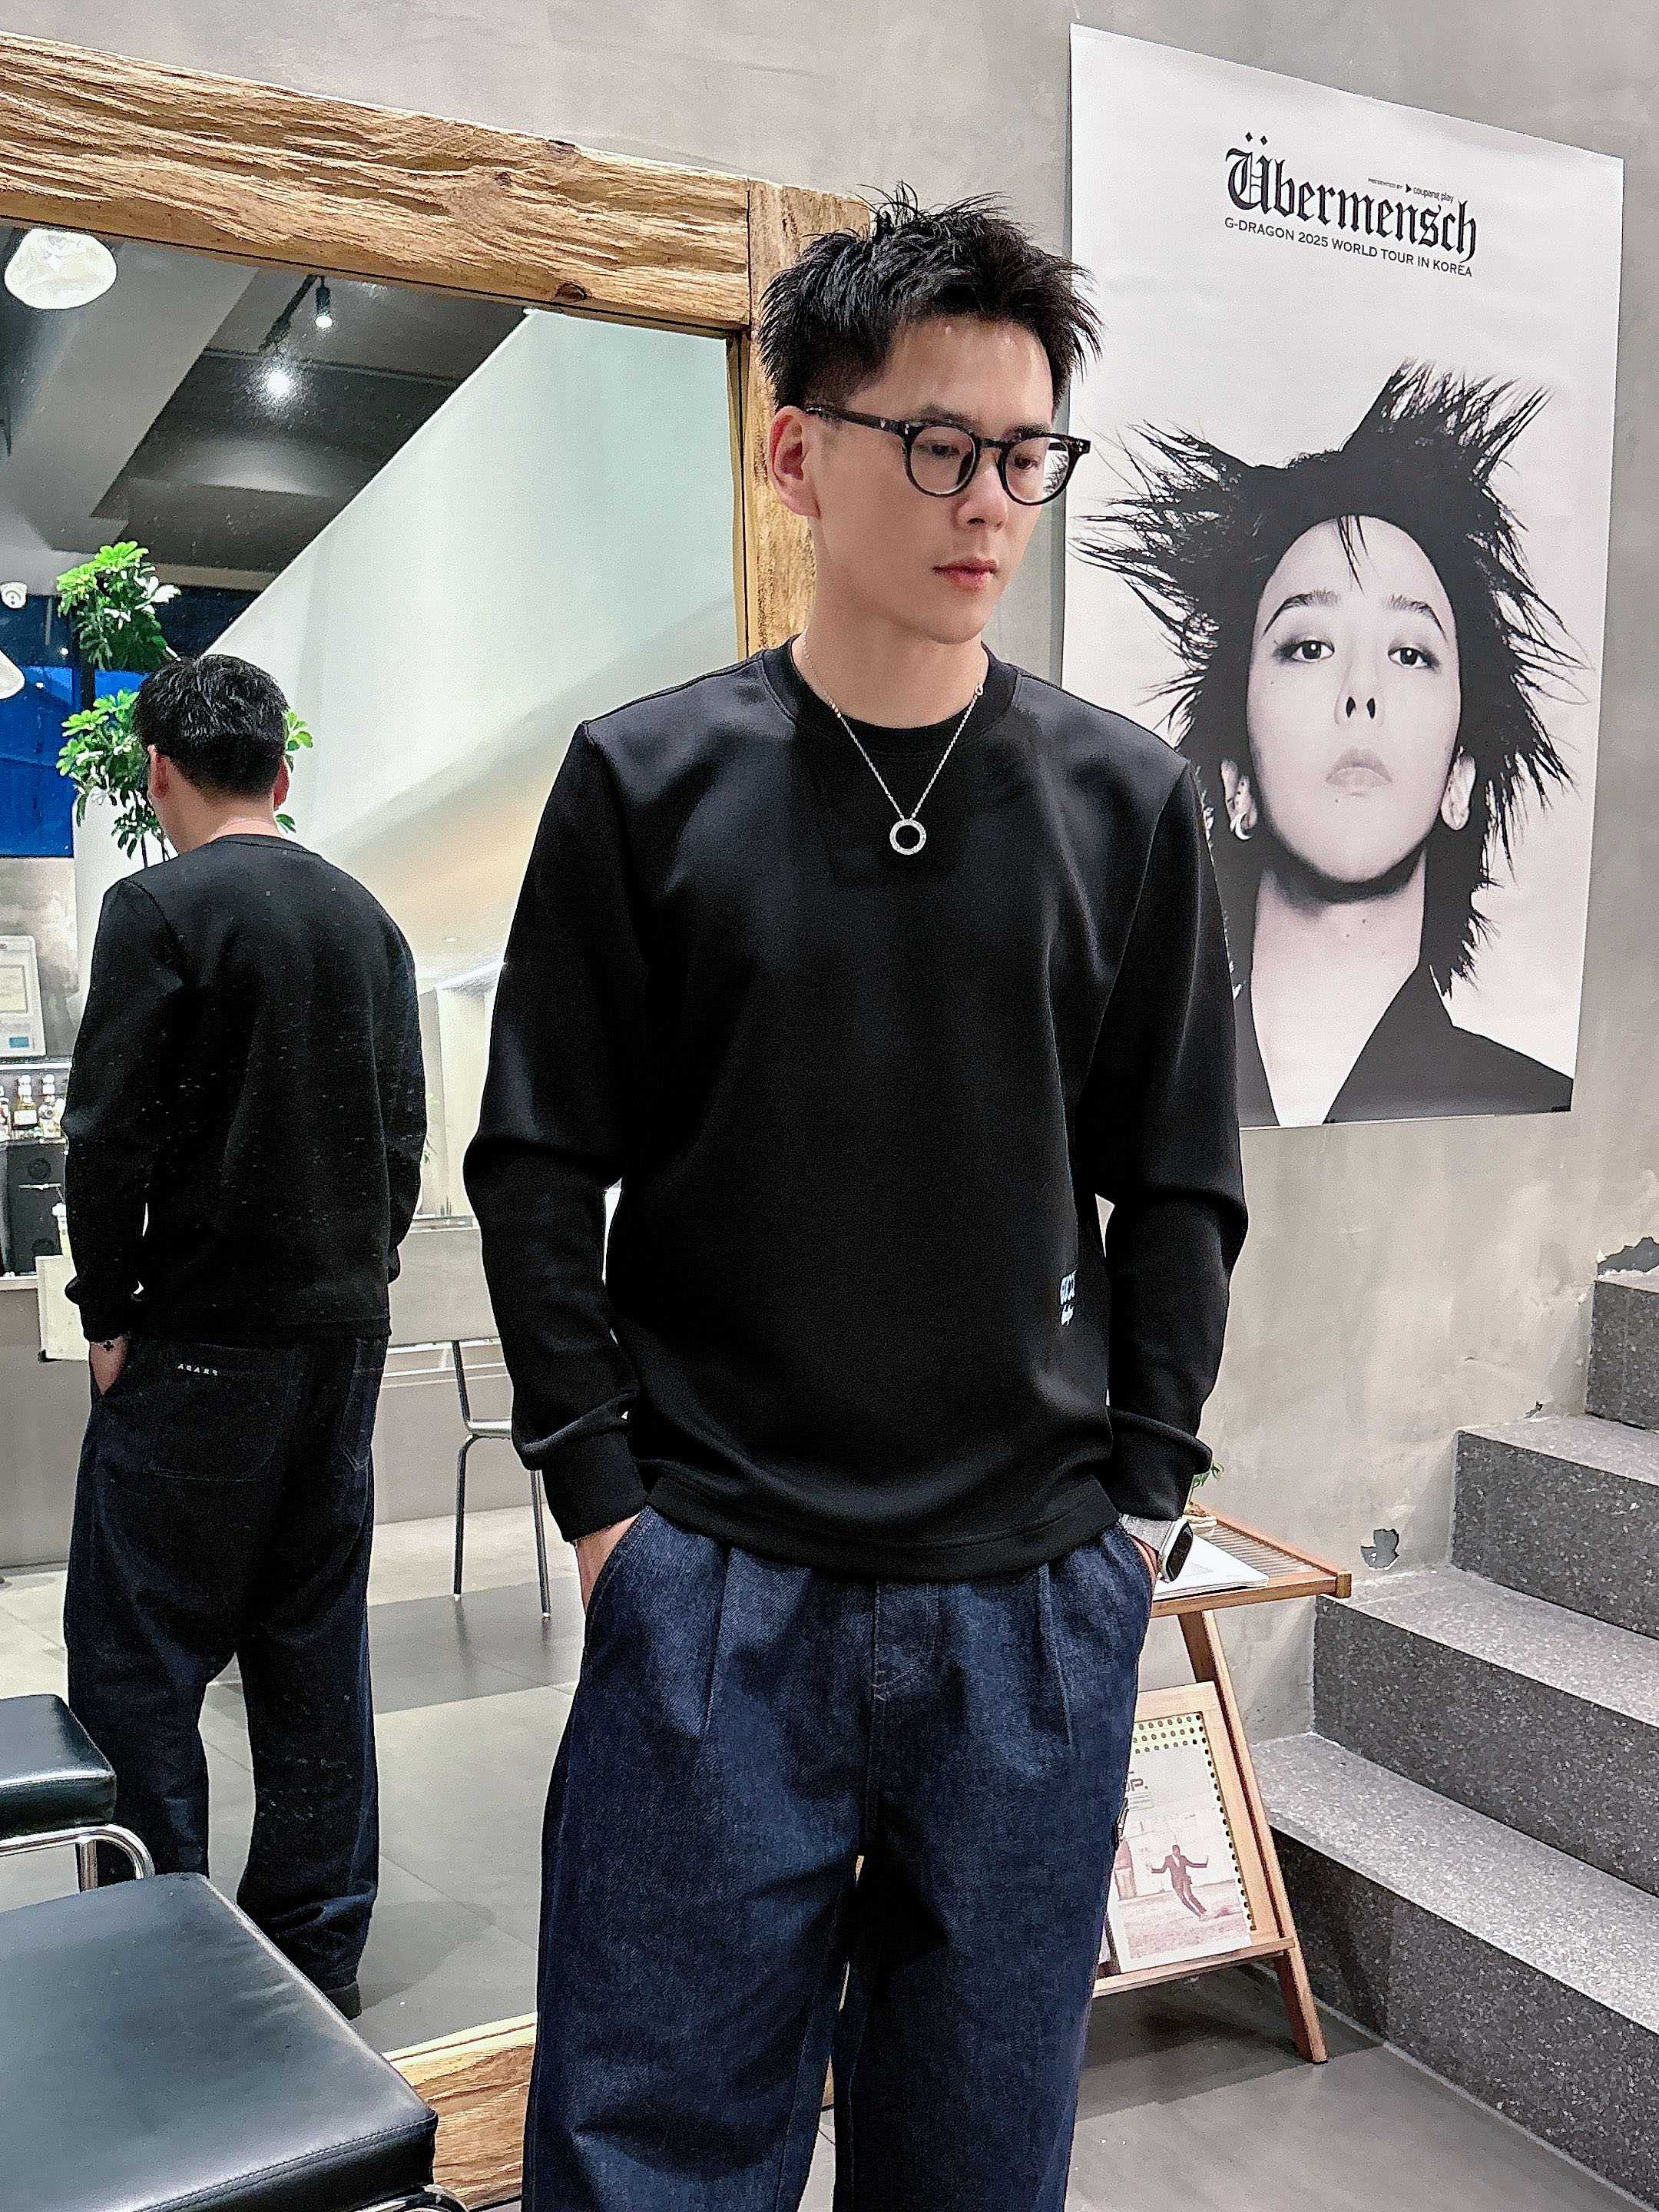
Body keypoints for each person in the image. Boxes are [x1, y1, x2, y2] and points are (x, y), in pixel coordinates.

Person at [465, 183, 1247, 2210]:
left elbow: (1176, 1183)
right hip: (718, 1583)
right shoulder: (646, 783)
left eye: (1027, 457)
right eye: (941, 446)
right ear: (798, 450)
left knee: (982, 2157)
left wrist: (1143, 1508)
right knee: (650, 2148)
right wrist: (606, 1508)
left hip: (1034, 1600)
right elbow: (538, 1166)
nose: (990, 504)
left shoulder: (1124, 804)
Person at [61, 651, 426, 2020]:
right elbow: (401, 1138)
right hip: (341, 1337)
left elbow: (108, 1136)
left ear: (158, 774)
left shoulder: (156, 907)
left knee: (139, 1651)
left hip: (202, 1338)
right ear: (282, 768)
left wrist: (108, 1311)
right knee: (312, 1638)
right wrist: (359, 1275)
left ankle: (162, 1951)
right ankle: (316, 1950)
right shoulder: (370, 922)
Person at [1073, 361, 1582, 1128]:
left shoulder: (1532, 1109)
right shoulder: (1119, 1114)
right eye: (1309, 647)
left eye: (1409, 653)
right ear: (1235, 783)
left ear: (1460, 781)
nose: (1360, 691)